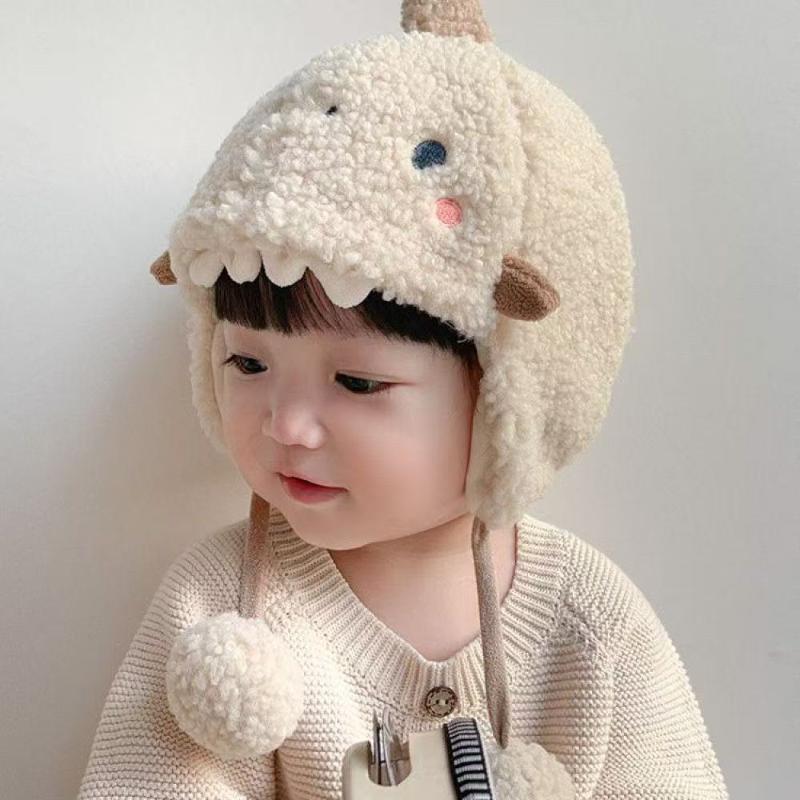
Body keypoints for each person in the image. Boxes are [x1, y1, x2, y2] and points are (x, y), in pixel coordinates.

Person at [77, 1, 729, 798]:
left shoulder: (592, 629)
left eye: (357, 382)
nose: (286, 424)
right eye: (246, 362)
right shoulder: (220, 614)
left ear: (511, 395)